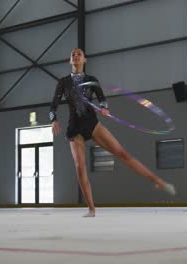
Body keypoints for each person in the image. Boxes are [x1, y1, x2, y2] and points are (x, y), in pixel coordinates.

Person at [49, 48, 176, 217]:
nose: (76, 56)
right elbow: (53, 105)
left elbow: (102, 99)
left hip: (92, 123)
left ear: (84, 60)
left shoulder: (92, 80)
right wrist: (53, 119)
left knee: (122, 154)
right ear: (70, 61)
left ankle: (157, 181)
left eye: (79, 54)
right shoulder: (63, 82)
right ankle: (91, 209)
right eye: (73, 54)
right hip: (74, 127)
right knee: (80, 166)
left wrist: (104, 108)